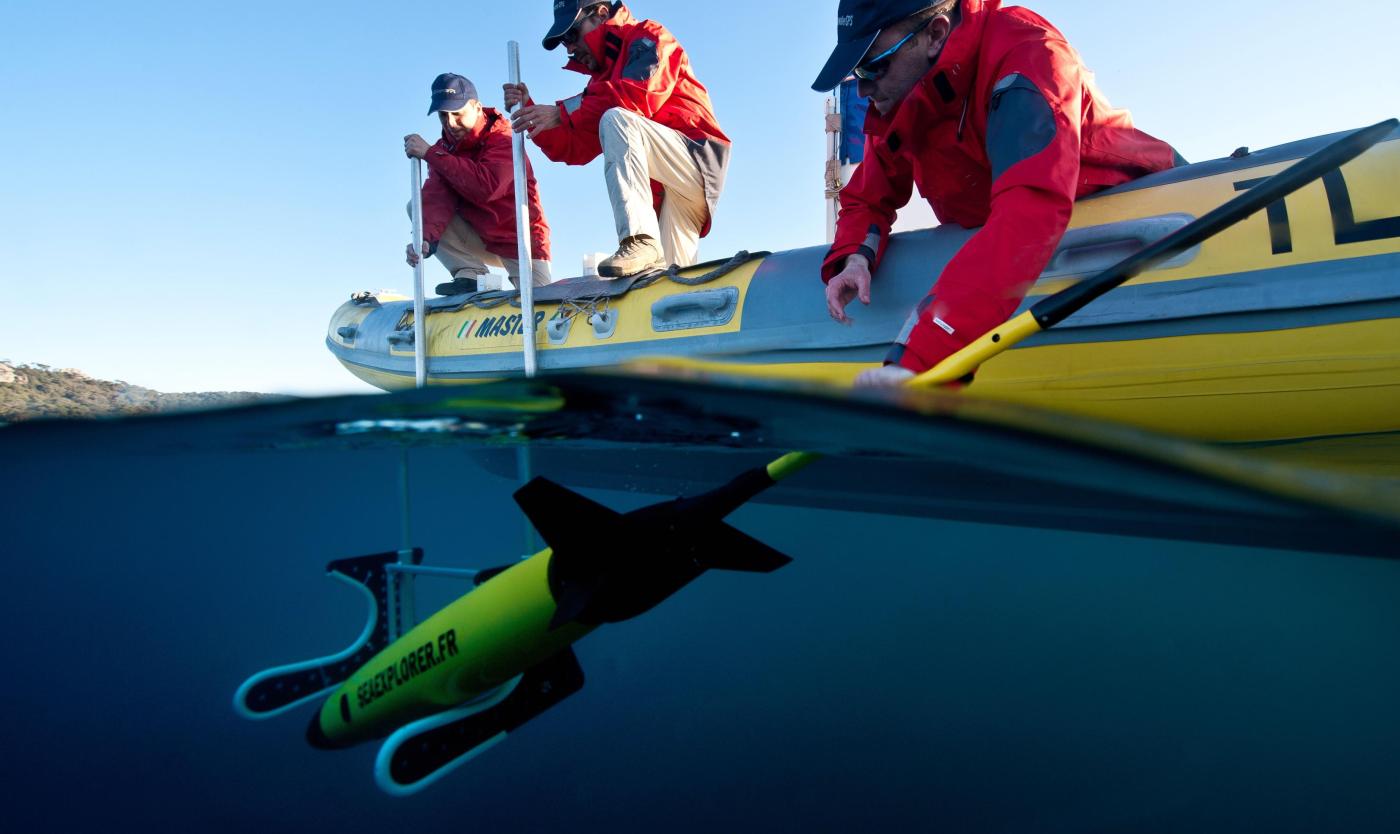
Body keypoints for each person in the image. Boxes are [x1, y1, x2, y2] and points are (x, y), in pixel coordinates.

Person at [813, 0, 1182, 386]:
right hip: (1007, 240)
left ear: (935, 34)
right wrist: (856, 258)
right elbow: (867, 196)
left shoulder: (1028, 56)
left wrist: (920, 361)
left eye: (874, 66)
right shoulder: (903, 105)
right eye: (858, 71)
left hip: (1135, 201)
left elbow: (1028, 212)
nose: (864, 89)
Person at [504, 2, 730, 278]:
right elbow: (576, 147)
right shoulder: (599, 86)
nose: (569, 48)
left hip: (695, 159)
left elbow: (636, 95)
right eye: (564, 42)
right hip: (666, 190)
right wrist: (532, 112)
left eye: (571, 35)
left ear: (600, 14)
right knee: (670, 287)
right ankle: (651, 254)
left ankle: (639, 241)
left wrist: (561, 112)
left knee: (615, 119)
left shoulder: (649, 36)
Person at [404, 73, 552, 296]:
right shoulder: (441, 151)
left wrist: (430, 154)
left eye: (457, 114)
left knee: (542, 303)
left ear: (476, 107)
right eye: (443, 116)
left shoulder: (503, 138)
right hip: (480, 238)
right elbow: (436, 198)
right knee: (416, 204)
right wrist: (425, 239)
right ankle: (470, 273)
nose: (451, 123)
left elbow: (487, 187)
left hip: (520, 241)